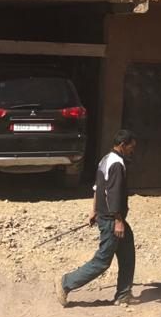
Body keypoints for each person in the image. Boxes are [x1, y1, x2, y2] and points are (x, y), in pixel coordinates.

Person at [55, 130, 138, 307]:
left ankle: (123, 294)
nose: (133, 151)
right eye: (131, 147)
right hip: (111, 219)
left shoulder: (105, 159)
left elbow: (98, 188)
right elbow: (113, 194)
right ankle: (65, 283)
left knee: (127, 253)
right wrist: (118, 220)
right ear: (123, 145)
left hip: (105, 215)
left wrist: (93, 211)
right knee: (102, 261)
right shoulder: (117, 164)